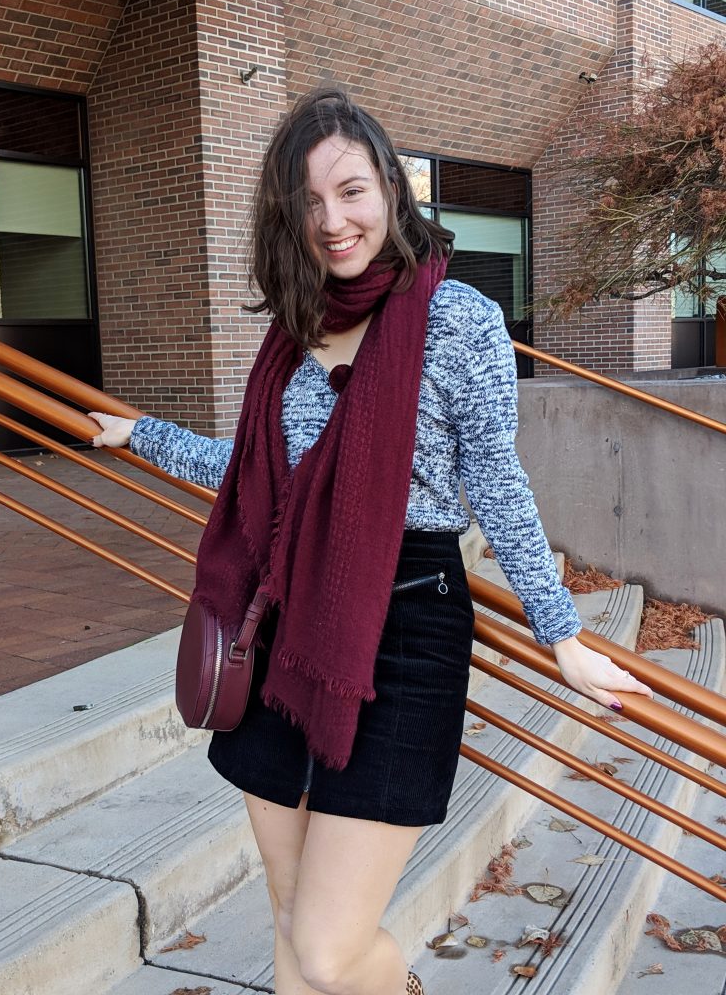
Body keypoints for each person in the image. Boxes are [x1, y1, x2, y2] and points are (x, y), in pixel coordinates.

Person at [89, 86, 653, 995]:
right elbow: (257, 470)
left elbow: (497, 481)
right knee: (286, 914)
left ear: (391, 186)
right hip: (280, 626)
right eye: (308, 202)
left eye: (350, 190)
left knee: (327, 948)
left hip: (405, 632)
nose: (333, 219)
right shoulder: (294, 326)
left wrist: (563, 634)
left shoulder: (458, 319)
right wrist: (142, 435)